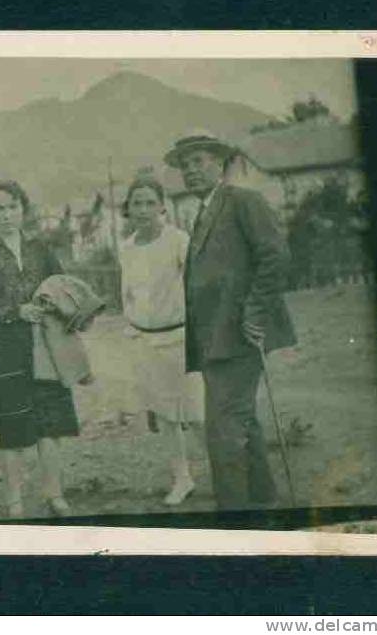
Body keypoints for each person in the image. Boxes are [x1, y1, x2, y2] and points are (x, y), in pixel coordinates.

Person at [164, 130, 297, 511]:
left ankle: (234, 519)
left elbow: (275, 257)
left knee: (223, 430)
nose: (191, 171)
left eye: (199, 161)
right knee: (240, 420)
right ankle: (263, 497)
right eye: (185, 165)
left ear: (220, 164)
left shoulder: (243, 201)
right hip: (215, 340)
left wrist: (254, 314)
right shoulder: (203, 212)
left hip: (239, 336)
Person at [0, 180, 81, 519]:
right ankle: (14, 499)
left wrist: (49, 304)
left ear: (23, 210)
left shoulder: (41, 248)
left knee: (50, 423)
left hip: (45, 346)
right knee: (12, 424)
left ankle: (54, 494)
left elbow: (62, 285)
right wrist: (17, 310)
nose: (6, 214)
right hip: (5, 349)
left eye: (13, 207)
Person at [118, 172, 205, 506]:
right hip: (145, 341)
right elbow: (127, 294)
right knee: (166, 416)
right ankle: (182, 478)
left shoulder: (178, 240)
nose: (143, 209)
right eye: (137, 203)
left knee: (196, 414)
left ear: (161, 206)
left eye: (150, 202)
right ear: (129, 208)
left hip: (181, 338)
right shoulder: (125, 248)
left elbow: (196, 287)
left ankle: (227, 474)